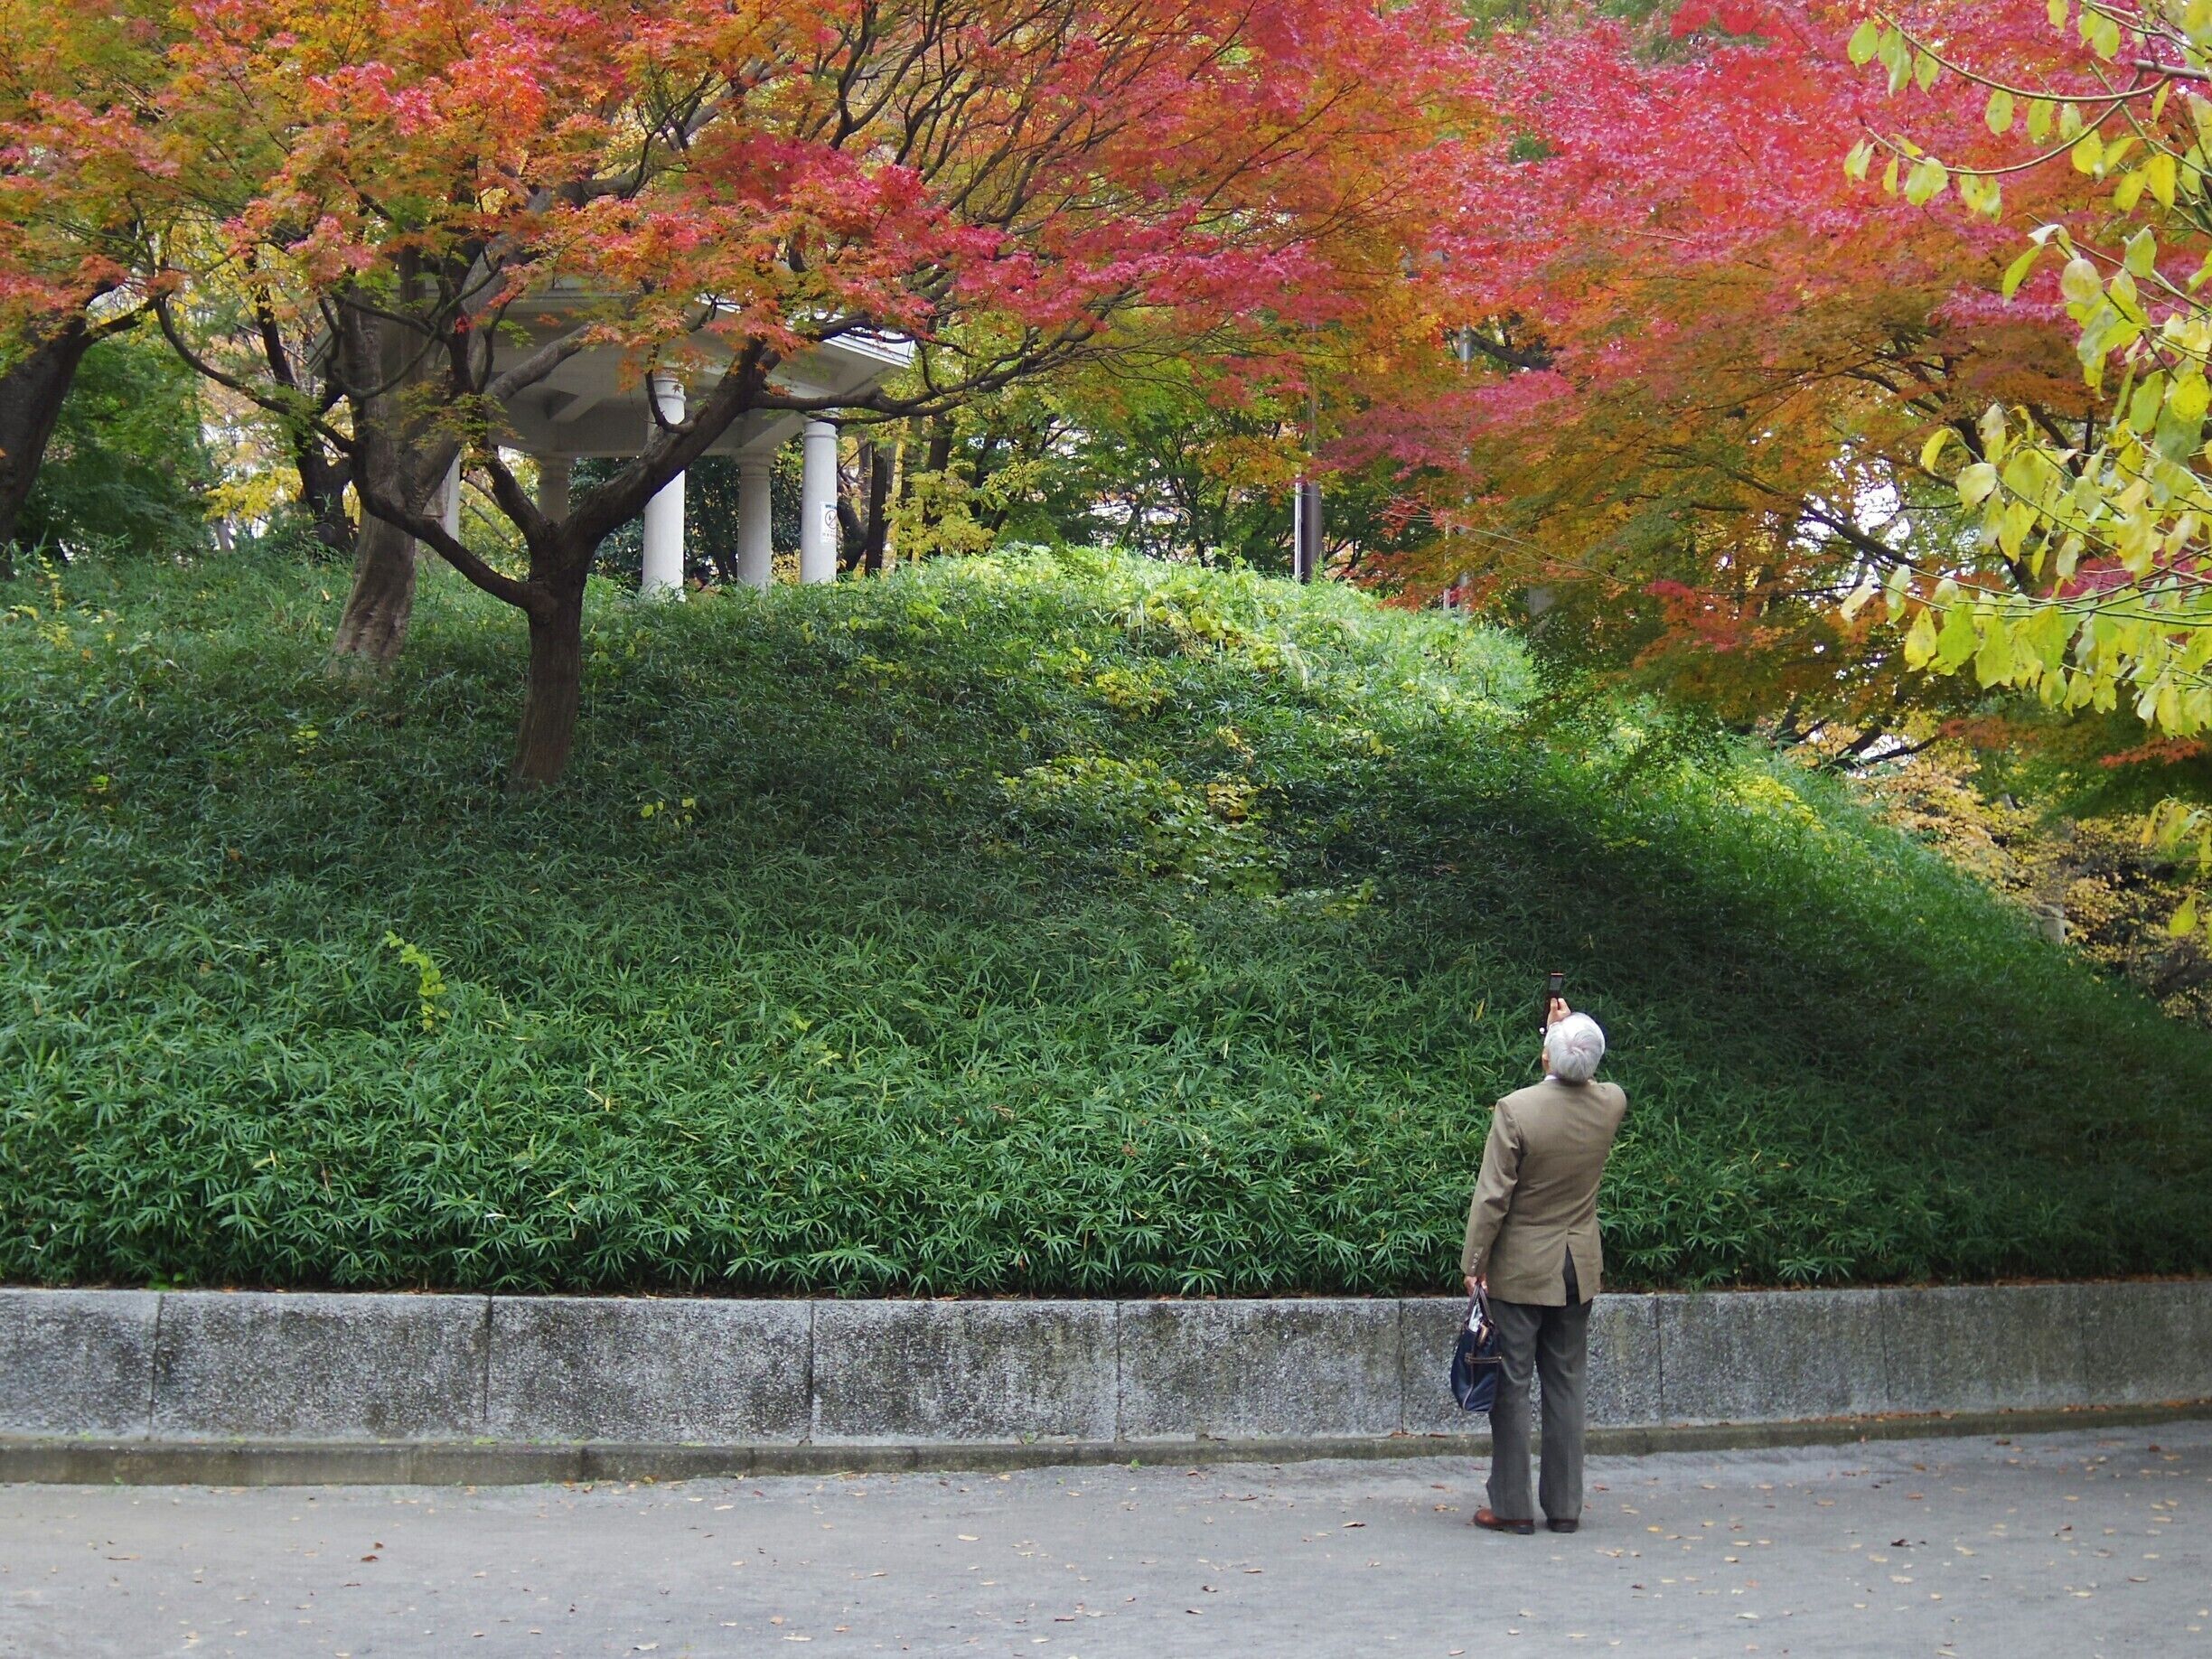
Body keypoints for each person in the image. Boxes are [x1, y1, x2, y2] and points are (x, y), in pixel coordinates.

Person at [1460, 998, 1627, 1536]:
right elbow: (1588, 1073)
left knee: (1511, 1385)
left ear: (1545, 1058)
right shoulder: (1611, 1104)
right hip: (1578, 1266)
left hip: (1521, 1269)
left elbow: (1492, 1199)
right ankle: (1565, 1507)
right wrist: (1565, 1035)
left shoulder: (1515, 1110)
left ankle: (1510, 1506)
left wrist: (1474, 1261)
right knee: (1567, 1383)